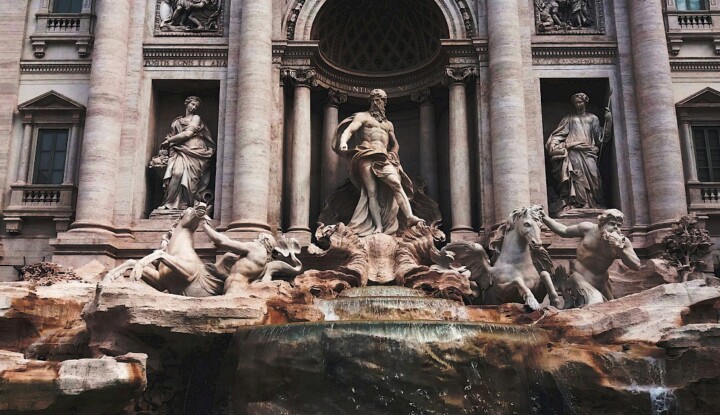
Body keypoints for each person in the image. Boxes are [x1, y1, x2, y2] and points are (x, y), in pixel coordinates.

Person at [333, 89, 424, 236]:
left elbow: (395, 144)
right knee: (372, 192)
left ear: (384, 102)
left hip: (384, 157)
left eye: (380, 100)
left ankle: (409, 216)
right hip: (366, 154)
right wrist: (343, 142)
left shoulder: (388, 124)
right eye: (375, 100)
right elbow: (349, 131)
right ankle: (378, 226)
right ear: (371, 101)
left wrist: (393, 153)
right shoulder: (363, 116)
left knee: (396, 184)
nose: (377, 103)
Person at [541, 208, 641, 306]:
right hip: (580, 278)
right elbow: (564, 231)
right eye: (611, 224)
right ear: (602, 224)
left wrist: (620, 249)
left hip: (602, 282)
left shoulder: (623, 242)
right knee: (596, 304)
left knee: (613, 309)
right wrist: (544, 217)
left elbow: (636, 265)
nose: (615, 228)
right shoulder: (587, 229)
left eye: (618, 225)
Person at [545, 92, 611, 213]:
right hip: (574, 152)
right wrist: (554, 145)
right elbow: (558, 134)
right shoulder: (569, 119)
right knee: (577, 177)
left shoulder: (592, 118)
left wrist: (609, 121)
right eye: (575, 103)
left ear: (585, 102)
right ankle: (581, 203)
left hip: (589, 152)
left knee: (594, 176)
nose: (578, 105)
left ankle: (593, 202)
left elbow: (600, 138)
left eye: (580, 102)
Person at [158, 96, 215, 210]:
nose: (194, 107)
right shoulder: (177, 121)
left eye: (196, 106)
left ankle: (185, 203)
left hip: (195, 150)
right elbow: (172, 134)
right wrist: (167, 142)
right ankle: (169, 203)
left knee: (191, 179)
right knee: (177, 173)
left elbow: (188, 133)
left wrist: (169, 141)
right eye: (192, 104)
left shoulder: (196, 118)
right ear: (187, 103)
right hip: (179, 150)